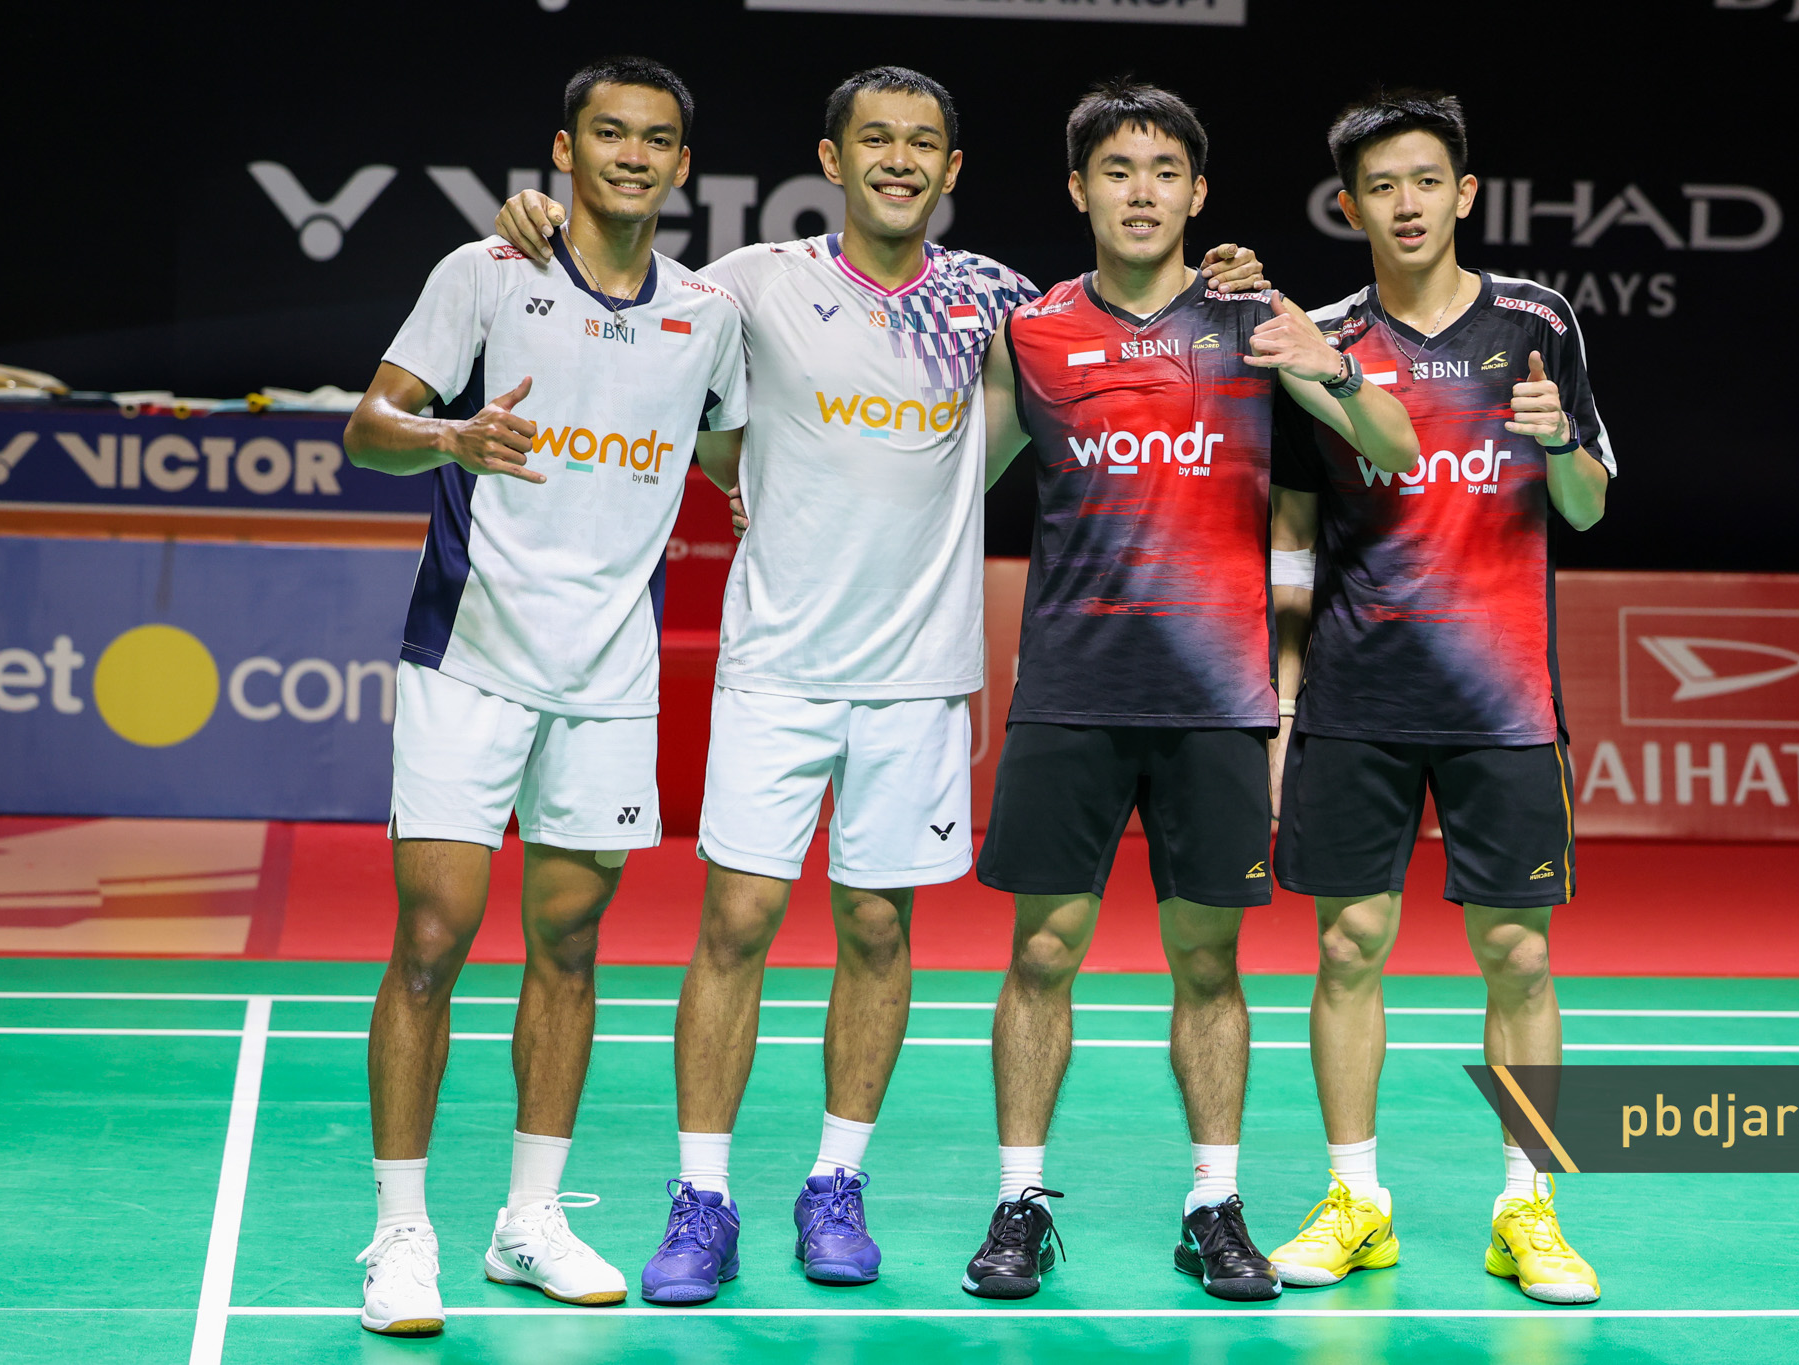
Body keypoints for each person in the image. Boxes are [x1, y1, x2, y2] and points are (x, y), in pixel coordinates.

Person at [488, 66, 1270, 1304]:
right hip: (777, 666)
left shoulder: (995, 302)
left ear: (951, 170)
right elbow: (636, 314)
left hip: (915, 676)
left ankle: (835, 1182)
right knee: (734, 926)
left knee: (874, 929)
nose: (897, 160)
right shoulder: (750, 284)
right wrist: (540, 225)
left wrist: (1232, 277)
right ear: (832, 158)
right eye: (874, 140)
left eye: (921, 144)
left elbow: (1119, 327)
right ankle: (702, 1197)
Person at [961, 80, 1418, 1302]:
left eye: (1164, 170)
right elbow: (948, 477)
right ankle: (1017, 1202)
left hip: (1215, 697)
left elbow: (1392, 446)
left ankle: (1213, 1203)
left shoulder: (1252, 320)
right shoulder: (1032, 331)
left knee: (1207, 962)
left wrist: (1321, 356)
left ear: (1197, 192)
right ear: (1078, 189)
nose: (1141, 191)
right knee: (1041, 950)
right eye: (1117, 169)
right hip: (1070, 686)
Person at [338, 58, 745, 1336]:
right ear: (564, 151)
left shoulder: (707, 315)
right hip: (468, 658)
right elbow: (367, 429)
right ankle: (400, 1233)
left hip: (609, 676)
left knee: (569, 949)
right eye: (607, 133)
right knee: (431, 942)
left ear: (683, 166)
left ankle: (528, 1221)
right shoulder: (486, 275)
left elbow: (737, 455)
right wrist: (449, 437)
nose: (631, 155)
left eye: (656, 139)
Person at [1262, 89, 1614, 1305]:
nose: (1404, 205)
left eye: (1425, 181)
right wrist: (1283, 700)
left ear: (1462, 193)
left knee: (1515, 952)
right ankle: (1355, 1199)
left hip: (1502, 696)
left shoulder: (1535, 320)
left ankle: (1528, 1207)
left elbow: (1583, 510)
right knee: (1345, 945)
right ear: (1348, 205)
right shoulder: (1319, 339)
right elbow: (1292, 535)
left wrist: (1558, 441)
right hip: (1356, 690)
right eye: (1380, 187)